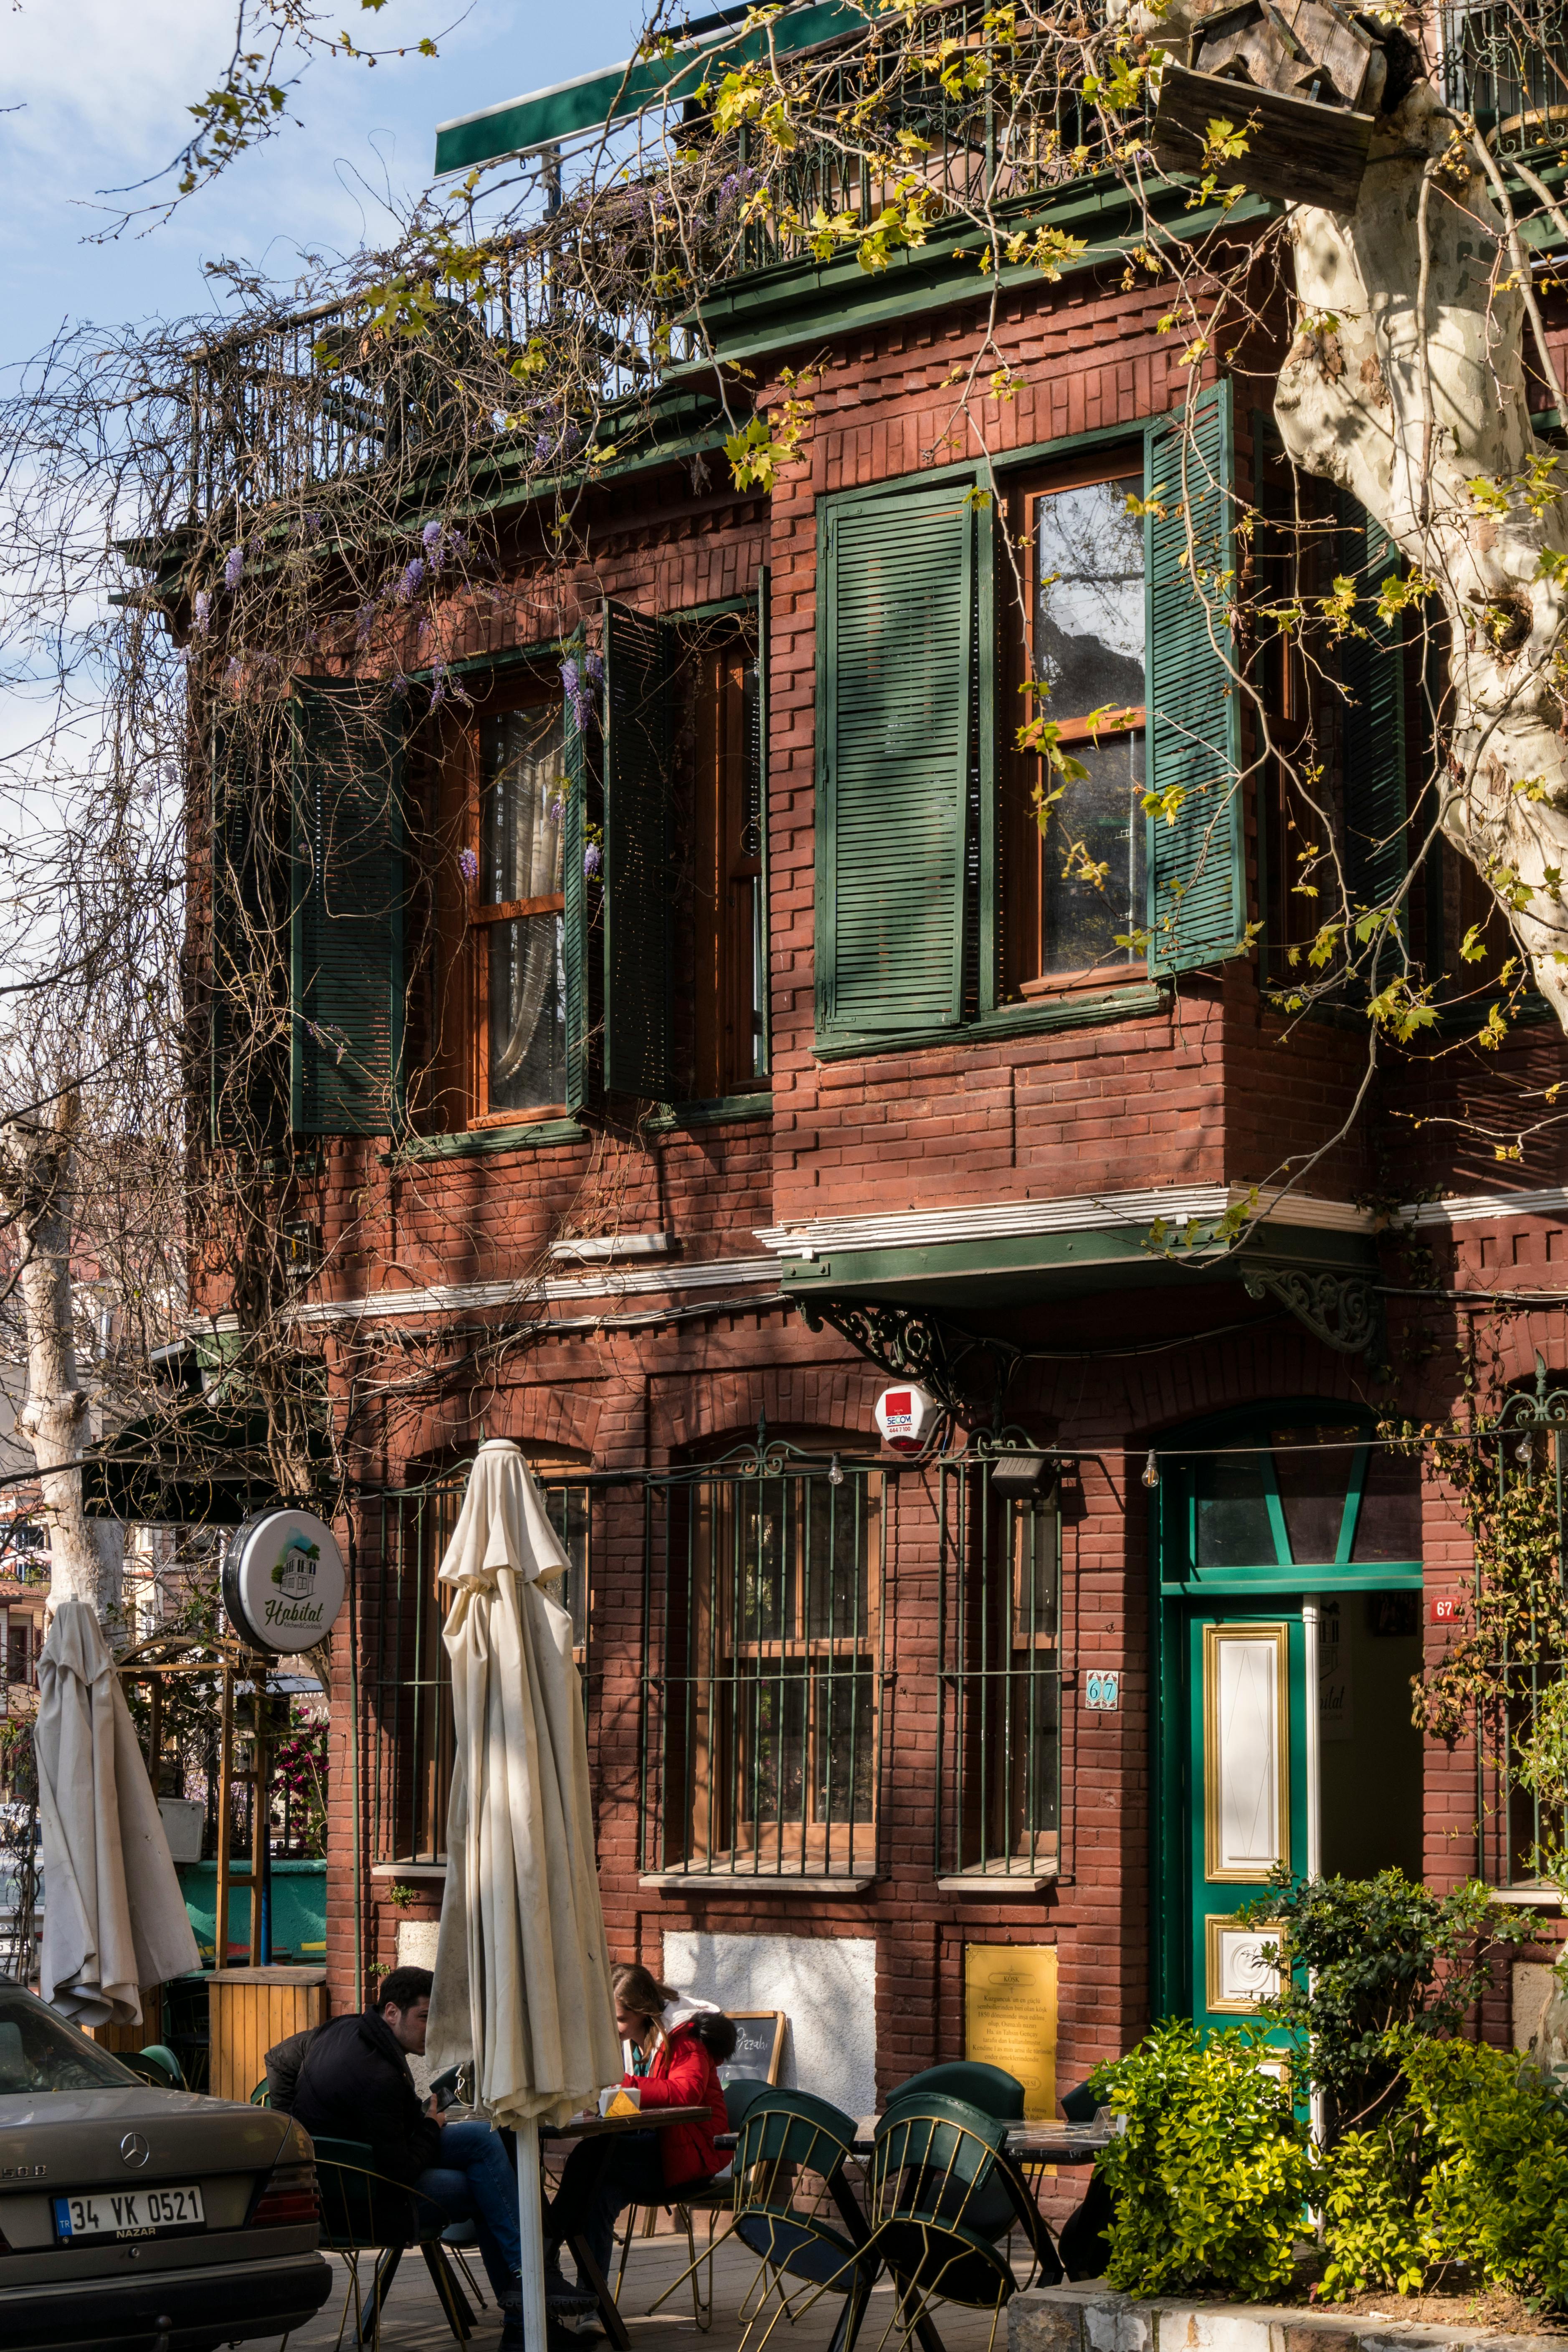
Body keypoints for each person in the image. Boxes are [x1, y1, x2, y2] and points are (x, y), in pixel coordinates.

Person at [291, 1965, 526, 2345]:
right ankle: (525, 2294)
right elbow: (401, 2171)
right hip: (366, 2205)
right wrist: (431, 2127)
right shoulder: (378, 2076)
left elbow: (281, 2060)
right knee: (488, 2186)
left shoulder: (341, 2028)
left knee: (484, 2140)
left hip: (337, 2182)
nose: (431, 2030)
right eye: (424, 2018)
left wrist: (295, 2131)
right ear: (391, 2013)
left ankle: (524, 2286)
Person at [543, 1964, 735, 2319]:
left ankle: (543, 2254)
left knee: (591, 2154)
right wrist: (604, 2102)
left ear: (644, 2012)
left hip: (690, 2154)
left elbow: (685, 2091)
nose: (612, 2028)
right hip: (651, 2151)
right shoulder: (633, 2041)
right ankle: (593, 2310)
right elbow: (635, 2097)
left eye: (618, 2019)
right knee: (597, 2195)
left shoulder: (685, 2037)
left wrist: (617, 2082)